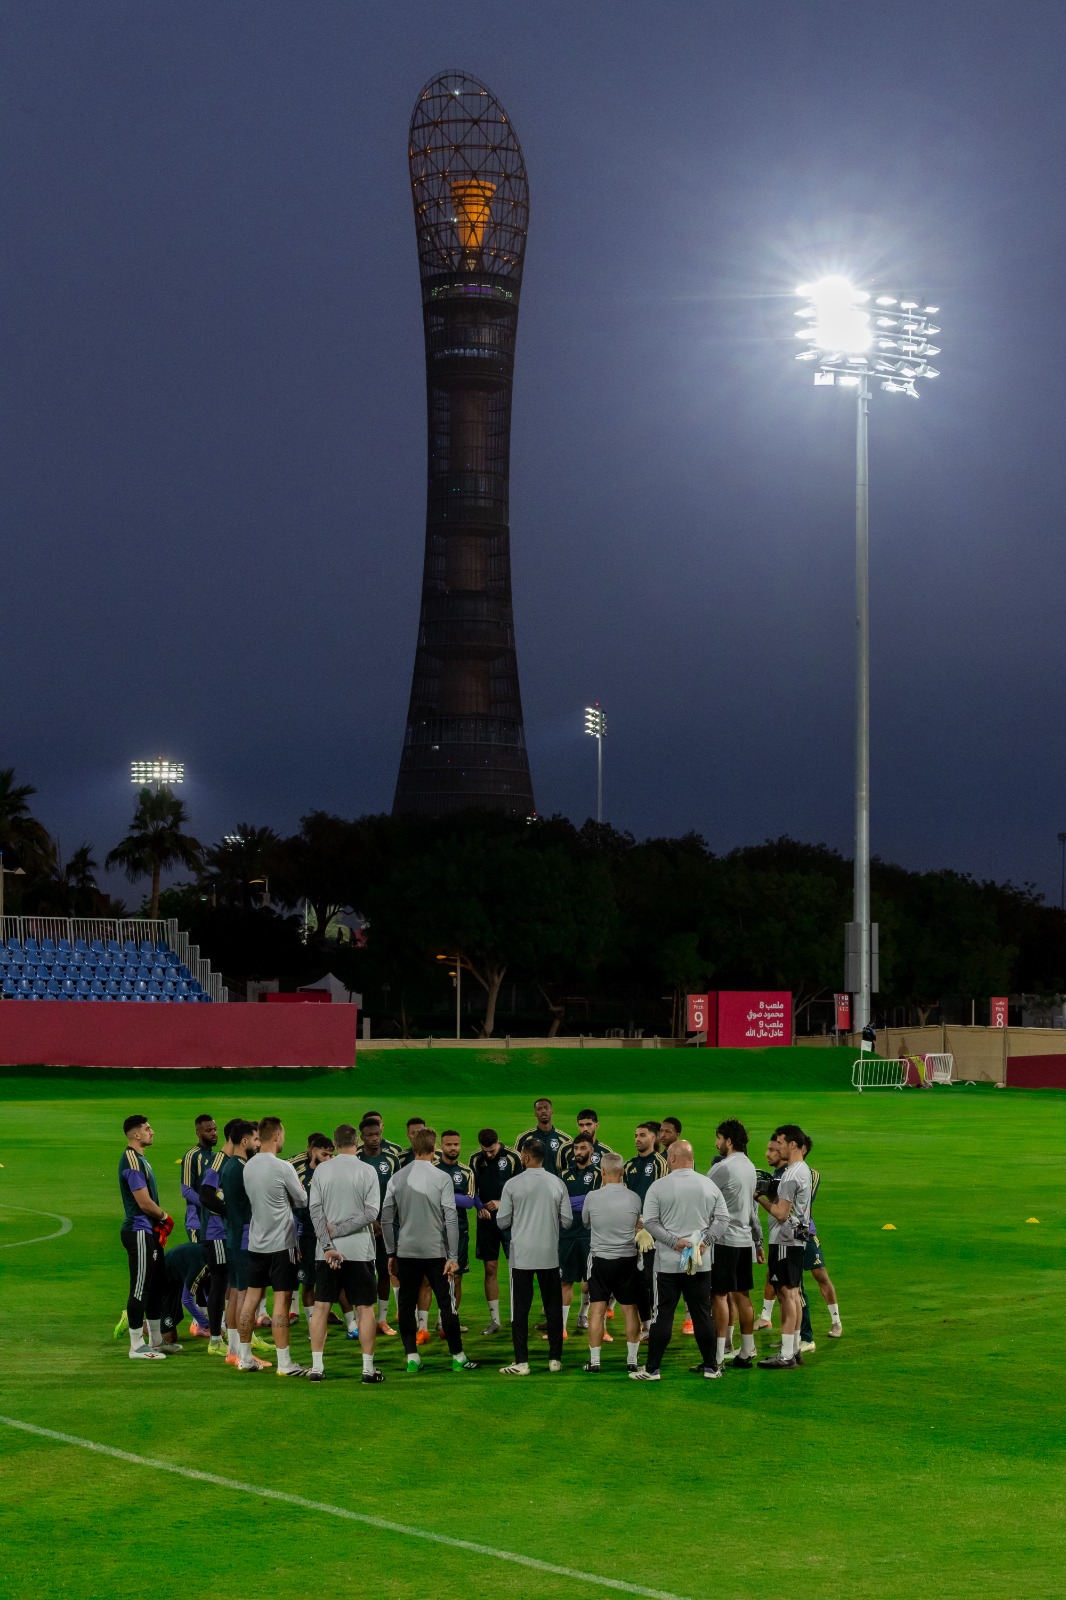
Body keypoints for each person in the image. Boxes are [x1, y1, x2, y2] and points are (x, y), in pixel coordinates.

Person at [380, 1127, 477, 1375]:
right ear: (435, 1149)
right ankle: (458, 1357)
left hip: (406, 1252)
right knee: (447, 1305)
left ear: (414, 1147)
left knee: (406, 1304)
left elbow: (386, 1219)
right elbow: (451, 1218)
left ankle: (412, 1358)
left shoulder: (397, 1178)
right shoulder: (441, 1178)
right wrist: (453, 1257)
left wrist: (391, 1252)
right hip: (436, 1252)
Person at [632, 1138, 730, 1381]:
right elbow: (723, 1220)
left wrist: (673, 1242)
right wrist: (706, 1240)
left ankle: (652, 1369)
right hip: (699, 1262)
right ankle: (711, 1367)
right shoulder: (708, 1185)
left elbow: (650, 1222)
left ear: (673, 1158)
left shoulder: (658, 1187)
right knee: (702, 1314)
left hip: (667, 1263)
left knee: (663, 1315)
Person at [308, 1123, 384, 1383]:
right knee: (365, 1308)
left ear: (335, 1144)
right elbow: (371, 1213)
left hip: (326, 1252)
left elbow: (315, 1211)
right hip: (359, 1251)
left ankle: (317, 1368)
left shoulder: (321, 1170)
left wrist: (328, 1244)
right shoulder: (367, 1171)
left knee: (321, 1307)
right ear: (357, 1142)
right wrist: (342, 1230)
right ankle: (368, 1370)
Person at [239, 1116, 310, 1377]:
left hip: (256, 1243)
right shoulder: (283, 1167)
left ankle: (245, 1358)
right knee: (281, 1301)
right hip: (282, 1244)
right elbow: (302, 1200)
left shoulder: (248, 1166)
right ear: (277, 1135)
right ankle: (284, 1364)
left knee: (251, 1300)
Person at [495, 1139, 572, 1376]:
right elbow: (567, 1221)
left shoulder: (513, 1184)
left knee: (520, 1310)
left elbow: (502, 1221)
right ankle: (555, 1360)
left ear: (526, 1157)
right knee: (553, 1309)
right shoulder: (557, 1183)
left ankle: (522, 1362)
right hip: (549, 1255)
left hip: (522, 1256)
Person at [755, 1124, 814, 1370]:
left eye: (780, 1143)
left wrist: (758, 1198)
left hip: (784, 1240)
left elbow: (781, 1213)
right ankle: (795, 1348)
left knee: (787, 1295)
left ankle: (787, 1354)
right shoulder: (803, 1170)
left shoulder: (790, 1174)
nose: (777, 1148)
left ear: (792, 1144)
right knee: (793, 1293)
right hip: (797, 1239)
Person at [706, 1118, 762, 1370]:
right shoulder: (750, 1166)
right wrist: (758, 1241)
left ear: (728, 1141)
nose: (716, 1143)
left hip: (723, 1240)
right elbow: (752, 1210)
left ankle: (718, 1356)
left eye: (719, 1138)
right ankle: (747, 1350)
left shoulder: (723, 1167)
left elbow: (702, 1195)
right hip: (744, 1240)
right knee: (742, 1295)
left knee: (718, 1295)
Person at [581, 1153, 643, 1372]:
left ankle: (595, 1362)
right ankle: (632, 1361)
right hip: (627, 1260)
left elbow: (586, 1223)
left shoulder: (592, 1197)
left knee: (597, 1310)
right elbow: (637, 1225)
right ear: (623, 1172)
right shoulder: (634, 1198)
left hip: (600, 1260)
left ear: (602, 1172)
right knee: (630, 1309)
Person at [118, 1115, 171, 1360]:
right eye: (148, 1129)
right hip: (138, 1230)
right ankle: (136, 1345)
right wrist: (164, 1217)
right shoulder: (131, 1160)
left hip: (149, 1231)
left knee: (155, 1285)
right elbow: (144, 1202)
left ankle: (156, 1340)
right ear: (136, 1134)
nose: (152, 1131)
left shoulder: (141, 1159)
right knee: (140, 1288)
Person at [470, 1127, 521, 1334]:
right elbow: (472, 1190)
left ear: (498, 1143)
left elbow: (523, 1189)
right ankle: (495, 1320)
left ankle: (516, 1317)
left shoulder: (513, 1158)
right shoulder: (475, 1159)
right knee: (490, 1268)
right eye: (485, 1151)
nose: (489, 1154)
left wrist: (502, 1203)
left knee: (516, 1269)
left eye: (492, 1150)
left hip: (511, 1221)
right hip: (487, 1223)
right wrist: (479, 1207)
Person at [797, 1131, 842, 1343]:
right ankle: (788, 1331)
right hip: (786, 1236)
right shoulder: (783, 1173)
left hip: (806, 1233)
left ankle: (836, 1321)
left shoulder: (811, 1174)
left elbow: (805, 1202)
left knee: (820, 1275)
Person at [357, 1116, 400, 1335]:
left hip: (386, 1226)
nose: (375, 1138)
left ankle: (382, 1320)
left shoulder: (391, 1160)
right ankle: (363, 1320)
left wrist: (386, 1222)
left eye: (378, 1134)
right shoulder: (355, 1159)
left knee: (385, 1270)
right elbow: (352, 1194)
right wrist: (371, 1220)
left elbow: (396, 1193)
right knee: (363, 1273)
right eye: (370, 1135)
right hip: (361, 1226)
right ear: (362, 1137)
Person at [623, 1124, 666, 1338]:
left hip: (653, 1231)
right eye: (635, 1135)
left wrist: (647, 1220)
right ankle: (646, 1324)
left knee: (651, 1278)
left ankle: (658, 1322)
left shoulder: (660, 1163)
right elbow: (624, 1195)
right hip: (633, 1229)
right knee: (637, 1280)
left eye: (642, 1135)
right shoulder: (629, 1165)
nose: (637, 1139)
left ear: (653, 1138)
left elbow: (663, 1196)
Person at [433, 1130, 479, 1327]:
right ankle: (424, 1323)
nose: (453, 1148)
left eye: (456, 1144)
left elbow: (469, 1202)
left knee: (457, 1277)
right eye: (449, 1144)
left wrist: (442, 1195)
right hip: (435, 1229)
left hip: (459, 1230)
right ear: (441, 1146)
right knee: (430, 1279)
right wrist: (455, 1197)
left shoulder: (466, 1172)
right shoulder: (433, 1169)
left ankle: (446, 1321)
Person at [557, 1132, 601, 1337]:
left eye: (583, 1148)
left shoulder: (599, 1174)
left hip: (590, 1235)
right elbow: (559, 1202)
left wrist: (572, 1202)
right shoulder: (564, 1175)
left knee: (592, 1282)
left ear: (592, 1150)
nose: (578, 1152)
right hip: (566, 1234)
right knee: (565, 1281)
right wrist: (583, 1200)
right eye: (576, 1148)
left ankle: (584, 1315)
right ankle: (561, 1328)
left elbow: (597, 1202)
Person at [290, 1133, 334, 1328]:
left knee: (331, 1281)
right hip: (307, 1236)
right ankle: (312, 1326)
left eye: (331, 1155)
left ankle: (349, 1323)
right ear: (312, 1151)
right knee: (307, 1281)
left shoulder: (333, 1173)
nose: (328, 1159)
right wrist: (295, 1238)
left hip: (330, 1235)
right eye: (325, 1154)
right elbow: (293, 1210)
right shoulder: (299, 1173)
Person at [158, 1240, 211, 1345]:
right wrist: (207, 1324)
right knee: (169, 1338)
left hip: (175, 1280)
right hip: (162, 1280)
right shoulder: (200, 1265)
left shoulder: (210, 1259)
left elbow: (209, 1294)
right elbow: (186, 1300)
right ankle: (136, 1322)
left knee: (174, 1324)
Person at [179, 1114, 217, 1242]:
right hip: (197, 1223)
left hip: (213, 1222)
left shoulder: (214, 1156)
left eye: (215, 1129)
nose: (214, 1133)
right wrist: (210, 1204)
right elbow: (186, 1190)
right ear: (198, 1133)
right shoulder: (192, 1156)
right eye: (208, 1130)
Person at [515, 1099, 571, 1176]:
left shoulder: (565, 1140)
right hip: (531, 1182)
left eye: (546, 1108)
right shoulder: (524, 1139)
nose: (543, 1111)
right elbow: (517, 1165)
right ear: (535, 1113)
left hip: (555, 1182)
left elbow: (571, 1168)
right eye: (539, 1109)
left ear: (552, 1111)